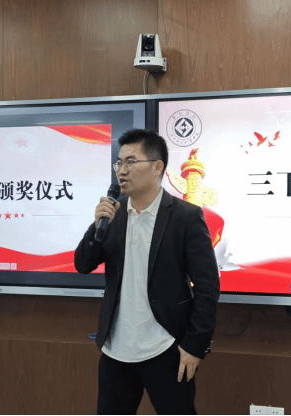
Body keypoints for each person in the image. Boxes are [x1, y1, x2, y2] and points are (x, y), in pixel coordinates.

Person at [74, 129, 220, 415]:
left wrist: (195, 345)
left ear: (157, 167)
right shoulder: (113, 215)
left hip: (166, 348)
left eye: (131, 162)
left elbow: (207, 287)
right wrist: (96, 225)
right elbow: (83, 264)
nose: (122, 170)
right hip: (115, 351)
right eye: (119, 162)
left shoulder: (185, 217)